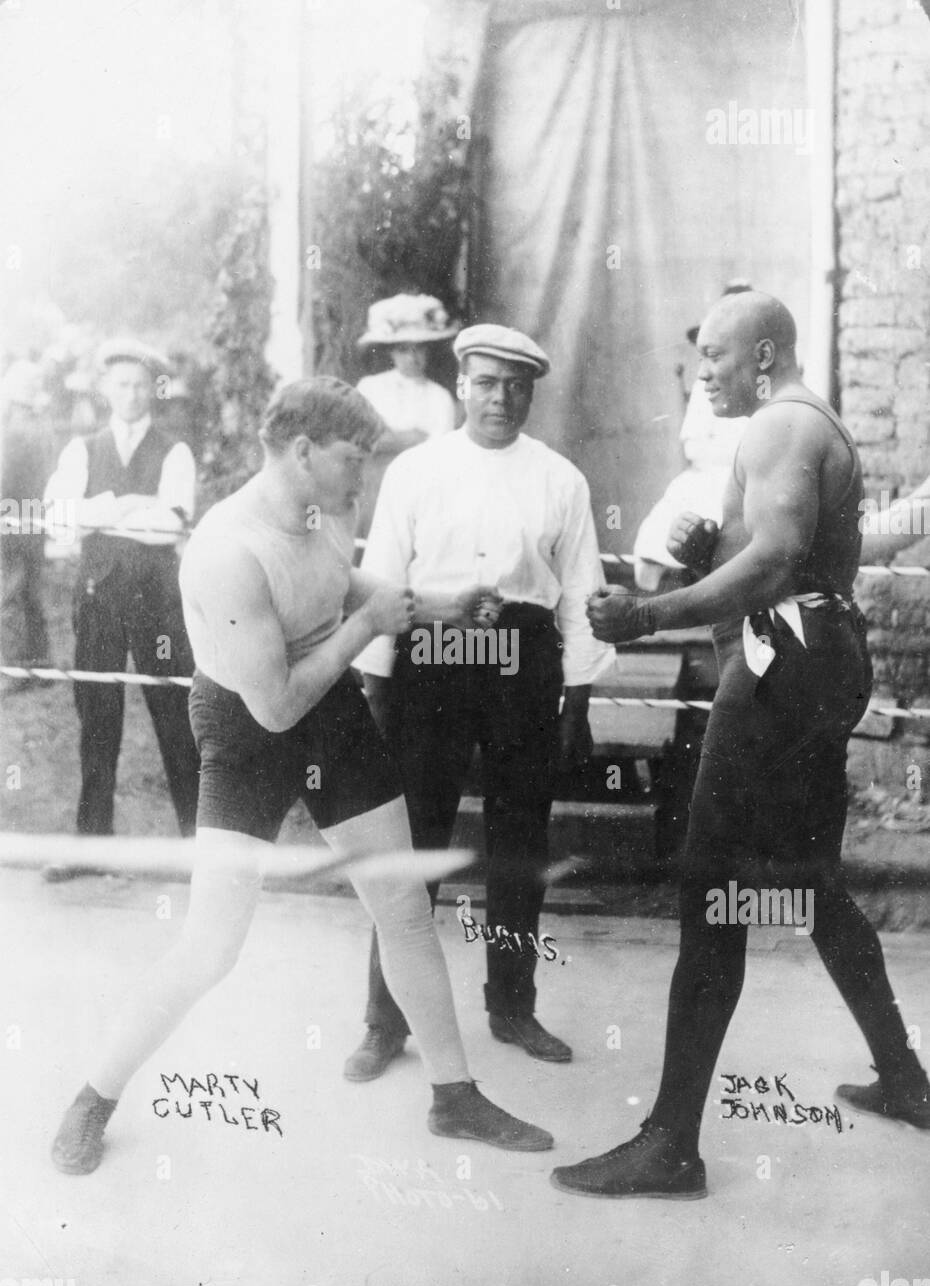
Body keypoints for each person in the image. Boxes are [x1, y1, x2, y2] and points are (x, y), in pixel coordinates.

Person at [50, 377, 552, 1176]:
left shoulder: (328, 506)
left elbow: (336, 582)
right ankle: (93, 1097)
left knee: (403, 905)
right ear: (302, 451)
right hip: (253, 723)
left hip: (330, 702)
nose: (365, 475)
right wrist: (365, 627)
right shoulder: (226, 551)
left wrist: (439, 605)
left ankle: (454, 1095)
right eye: (354, 458)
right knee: (212, 945)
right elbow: (278, 705)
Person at [552, 291, 930, 1201]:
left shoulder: (779, 427)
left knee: (710, 885)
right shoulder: (797, 425)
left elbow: (773, 561)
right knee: (809, 880)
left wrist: (646, 612)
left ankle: (671, 1143)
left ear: (764, 354)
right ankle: (908, 1079)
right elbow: (773, 555)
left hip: (784, 667)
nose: (703, 372)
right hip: (814, 661)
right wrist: (699, 557)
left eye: (718, 355)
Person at [343, 324, 615, 1082]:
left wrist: (577, 702)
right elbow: (386, 585)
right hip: (435, 659)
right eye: (487, 383)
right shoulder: (417, 471)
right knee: (414, 843)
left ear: (532, 392)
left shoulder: (561, 479)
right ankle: (383, 1019)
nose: (501, 398)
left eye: (516, 386)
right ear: (461, 383)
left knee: (519, 843)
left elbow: (581, 597)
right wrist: (377, 688)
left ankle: (512, 1005)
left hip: (522, 664)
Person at [42, 339, 200, 878]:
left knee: (175, 718)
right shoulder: (82, 449)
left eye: (140, 384)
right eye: (121, 384)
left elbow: (170, 525)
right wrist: (124, 505)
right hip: (98, 599)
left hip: (158, 604)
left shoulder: (174, 451)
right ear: (106, 389)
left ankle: (198, 847)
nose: (130, 395)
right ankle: (93, 847)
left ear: (154, 389)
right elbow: (59, 520)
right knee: (97, 720)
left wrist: (100, 514)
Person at [634, 282, 751, 592]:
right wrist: (737, 455)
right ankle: (694, 579)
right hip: (715, 472)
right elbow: (694, 445)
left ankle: (728, 584)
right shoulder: (705, 384)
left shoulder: (764, 384)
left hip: (757, 476)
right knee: (689, 508)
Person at [354, 294, 458, 537]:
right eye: (403, 350)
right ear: (391, 352)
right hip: (371, 494)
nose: (412, 358)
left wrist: (388, 438)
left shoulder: (439, 398)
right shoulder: (369, 387)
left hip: (418, 494)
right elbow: (360, 441)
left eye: (419, 349)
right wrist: (413, 437)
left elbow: (438, 457)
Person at [0, 360, 53, 676]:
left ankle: (13, 669)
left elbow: (2, 479)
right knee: (32, 593)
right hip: (35, 517)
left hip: (10, 520)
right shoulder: (43, 427)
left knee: (8, 596)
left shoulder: (12, 433)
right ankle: (39, 661)